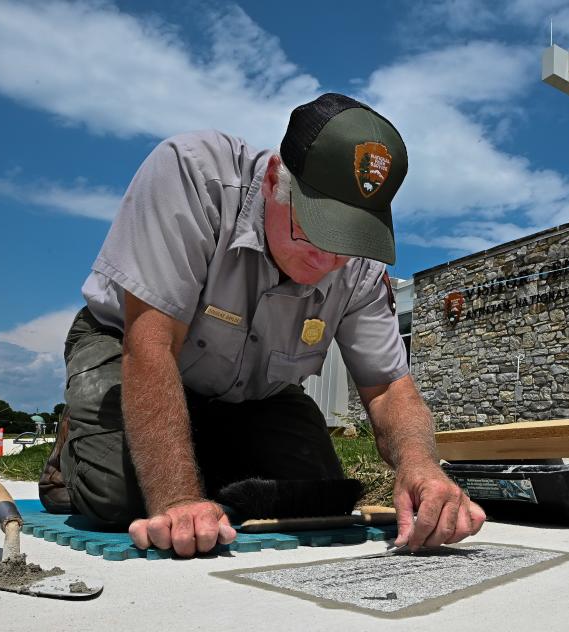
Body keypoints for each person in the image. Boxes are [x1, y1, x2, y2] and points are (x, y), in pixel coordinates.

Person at [39, 93, 485, 558]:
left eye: (346, 241)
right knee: (122, 501)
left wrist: (421, 466)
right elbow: (150, 344)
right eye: (313, 231)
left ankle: (197, 444)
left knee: (315, 497)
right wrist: (179, 499)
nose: (326, 260)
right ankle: (74, 448)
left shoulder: (360, 268)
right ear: (274, 179)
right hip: (130, 347)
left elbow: (391, 388)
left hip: (252, 391)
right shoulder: (192, 174)